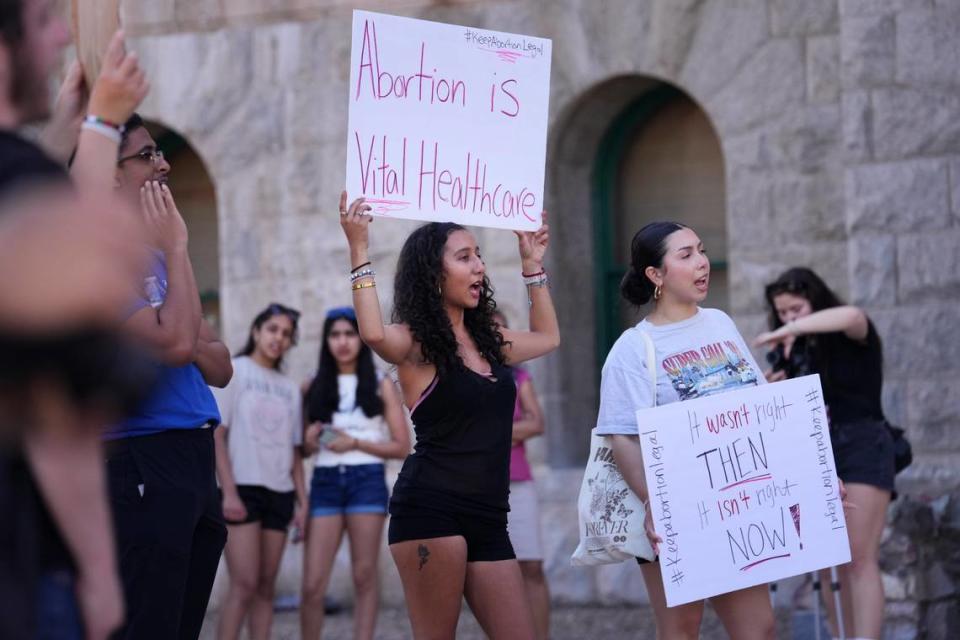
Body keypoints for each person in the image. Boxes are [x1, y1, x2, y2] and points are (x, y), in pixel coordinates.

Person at [338, 192, 560, 639]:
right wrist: (358, 247)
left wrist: (532, 264)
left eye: (478, 256)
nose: (479, 266)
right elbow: (374, 333)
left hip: (490, 514)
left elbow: (549, 337)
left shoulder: (492, 341)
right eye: (464, 257)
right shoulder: (416, 344)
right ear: (434, 275)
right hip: (431, 509)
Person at [0, 2, 147, 637]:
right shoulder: (22, 182)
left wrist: (77, 128)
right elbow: (54, 409)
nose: (62, 34)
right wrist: (99, 572)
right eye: (41, 20)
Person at [597, 221, 775, 640]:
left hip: (738, 505)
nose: (702, 263)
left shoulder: (719, 323)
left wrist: (813, 478)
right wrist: (653, 502)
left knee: (760, 630)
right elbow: (622, 435)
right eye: (685, 255)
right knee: (681, 629)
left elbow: (761, 406)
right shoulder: (632, 348)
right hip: (674, 510)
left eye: (701, 250)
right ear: (655, 275)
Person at [104, 113, 234, 640]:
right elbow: (185, 343)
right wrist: (179, 247)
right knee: (148, 625)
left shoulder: (157, 256)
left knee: (180, 626)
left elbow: (220, 363)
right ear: (111, 174)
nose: (164, 163)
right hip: (144, 455)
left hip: (192, 456)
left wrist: (177, 333)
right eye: (148, 155)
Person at [756, 267, 894, 640]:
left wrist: (796, 328)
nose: (789, 319)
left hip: (861, 443)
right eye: (782, 314)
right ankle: (840, 634)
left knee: (859, 555)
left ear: (815, 301)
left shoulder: (845, 331)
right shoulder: (792, 353)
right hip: (814, 453)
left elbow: (853, 317)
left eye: (796, 309)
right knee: (827, 560)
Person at [299, 306, 411, 640]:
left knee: (364, 575)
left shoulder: (380, 384)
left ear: (361, 339)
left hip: (367, 481)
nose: (343, 342)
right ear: (326, 341)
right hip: (325, 483)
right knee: (312, 583)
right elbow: (304, 449)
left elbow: (401, 446)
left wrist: (354, 443)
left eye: (350, 334)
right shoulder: (312, 385)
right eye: (335, 335)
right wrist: (307, 442)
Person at [213, 303, 307, 640]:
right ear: (256, 331)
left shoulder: (290, 388)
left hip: (280, 493)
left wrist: (303, 502)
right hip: (242, 489)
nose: (278, 338)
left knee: (266, 587)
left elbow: (295, 452)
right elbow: (216, 436)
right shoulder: (233, 372)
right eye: (272, 329)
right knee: (244, 584)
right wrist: (230, 492)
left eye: (285, 334)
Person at [492, 310, 551, 640]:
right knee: (496, 573)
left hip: (519, 482)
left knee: (532, 567)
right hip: (482, 485)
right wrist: (515, 431)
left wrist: (497, 431)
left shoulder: (519, 377)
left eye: (502, 330)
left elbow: (537, 423)